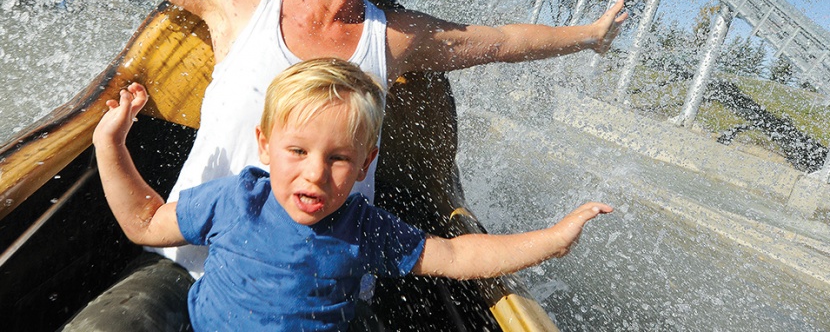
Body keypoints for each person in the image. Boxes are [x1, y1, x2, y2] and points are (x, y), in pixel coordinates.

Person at [1, 0, 626, 324]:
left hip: (323, 298)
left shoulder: (392, 40)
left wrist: (589, 34)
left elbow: (501, 42)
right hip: (189, 263)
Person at [92, 58, 613, 331]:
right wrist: (109, 142)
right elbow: (144, 221)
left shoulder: (363, 227)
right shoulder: (236, 200)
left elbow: (454, 254)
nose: (315, 175)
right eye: (297, 151)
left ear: (365, 164)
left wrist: (552, 239)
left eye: (339, 159)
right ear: (265, 146)